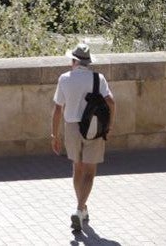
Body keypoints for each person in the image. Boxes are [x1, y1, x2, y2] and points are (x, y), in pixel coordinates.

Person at [51, 42, 116, 231]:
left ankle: (81, 208)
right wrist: (109, 126)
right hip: (94, 128)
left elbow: (57, 109)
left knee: (77, 168)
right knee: (90, 171)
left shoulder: (64, 78)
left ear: (74, 61)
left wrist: (54, 135)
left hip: (71, 127)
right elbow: (111, 102)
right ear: (88, 62)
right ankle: (80, 209)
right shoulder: (98, 79)